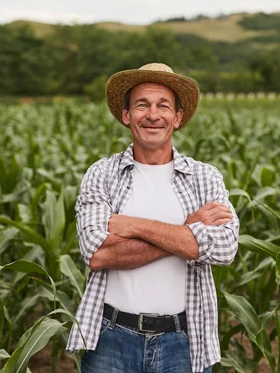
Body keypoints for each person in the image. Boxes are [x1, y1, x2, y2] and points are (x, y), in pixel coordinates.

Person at [66, 63, 239, 373]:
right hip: (111, 338)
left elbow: (224, 249)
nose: (153, 115)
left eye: (163, 105)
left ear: (178, 117)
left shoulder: (204, 177)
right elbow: (98, 254)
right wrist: (187, 233)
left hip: (184, 341)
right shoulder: (102, 174)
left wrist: (131, 225)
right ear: (126, 115)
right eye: (142, 104)